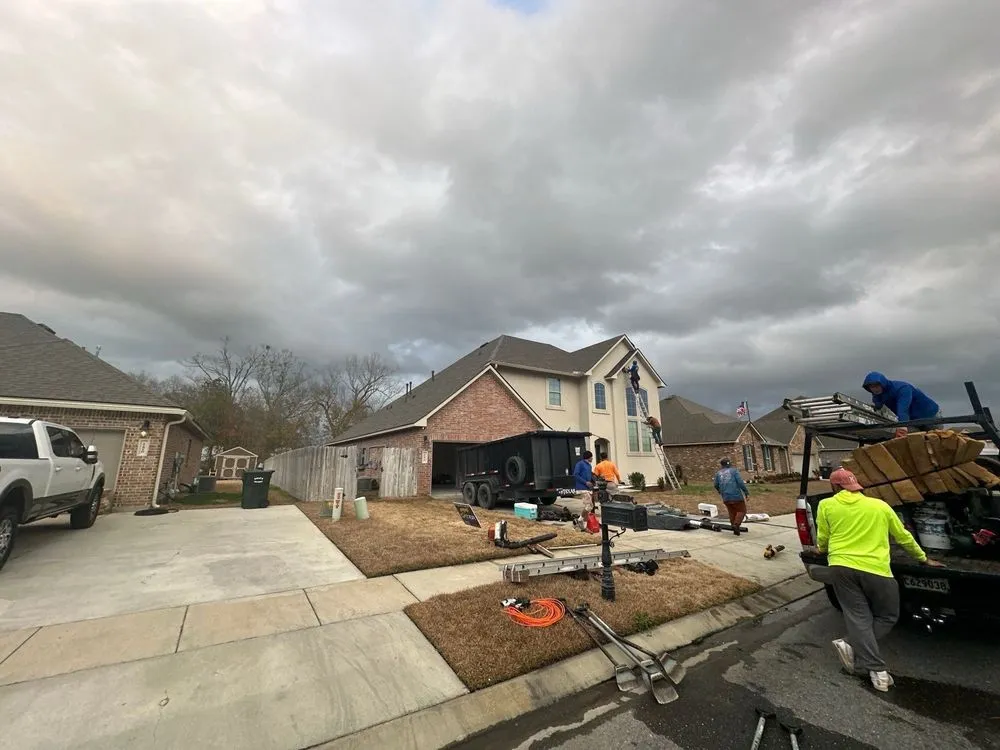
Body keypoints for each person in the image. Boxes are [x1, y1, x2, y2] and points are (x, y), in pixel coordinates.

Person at [817, 468, 944, 692]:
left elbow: (824, 538)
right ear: (856, 485)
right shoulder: (880, 506)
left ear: (835, 487)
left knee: (858, 618)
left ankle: (858, 650)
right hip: (877, 570)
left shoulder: (826, 506)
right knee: (888, 615)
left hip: (841, 568)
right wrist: (923, 559)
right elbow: (903, 536)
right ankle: (875, 668)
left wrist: (821, 549)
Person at [862, 371, 941, 439]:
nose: (875, 389)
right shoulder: (878, 394)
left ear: (882, 383)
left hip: (929, 415)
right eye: (871, 387)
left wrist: (903, 425)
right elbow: (878, 405)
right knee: (919, 441)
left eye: (877, 385)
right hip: (912, 420)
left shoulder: (902, 388)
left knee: (937, 438)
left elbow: (903, 408)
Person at [713, 458, 749, 535]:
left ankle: (734, 527)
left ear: (722, 465)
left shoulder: (718, 473)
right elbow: (740, 482)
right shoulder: (734, 471)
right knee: (742, 510)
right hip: (736, 495)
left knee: (732, 512)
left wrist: (720, 491)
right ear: (729, 464)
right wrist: (746, 492)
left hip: (725, 496)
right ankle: (736, 524)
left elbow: (715, 485)